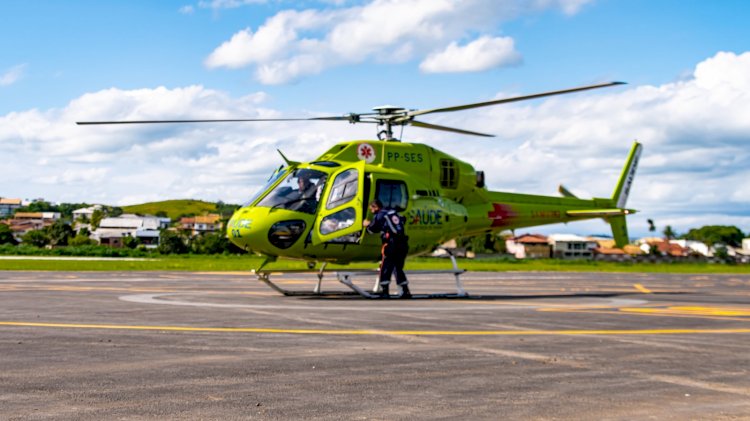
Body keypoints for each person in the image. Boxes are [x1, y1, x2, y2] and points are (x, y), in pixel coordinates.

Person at [363, 199, 411, 299]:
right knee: (398, 267)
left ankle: (385, 291)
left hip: (391, 244)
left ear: (375, 207)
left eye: (371, 209)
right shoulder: (393, 212)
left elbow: (372, 230)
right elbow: (403, 219)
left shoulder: (380, 215)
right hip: (403, 243)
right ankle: (405, 290)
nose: (371, 211)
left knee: (386, 267)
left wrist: (367, 225)